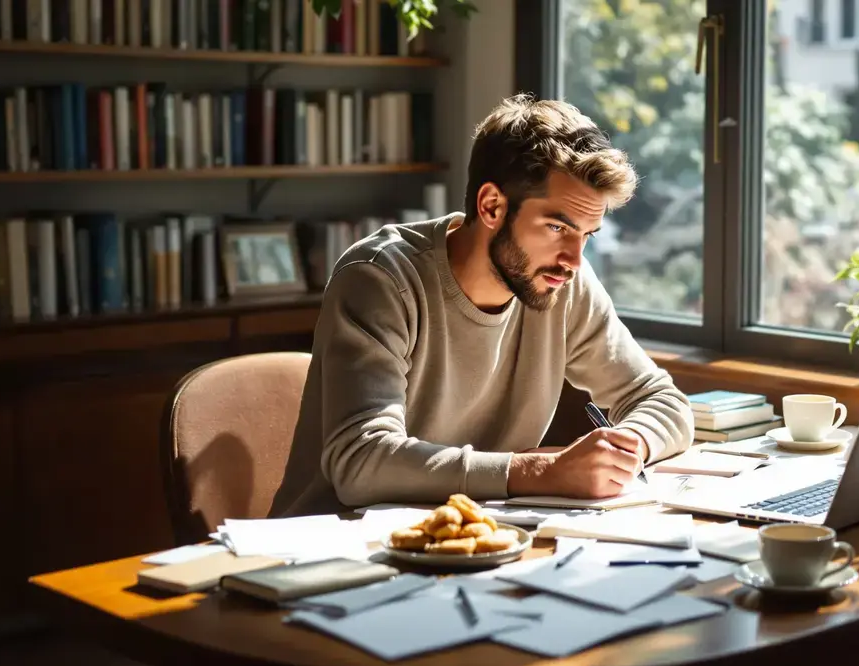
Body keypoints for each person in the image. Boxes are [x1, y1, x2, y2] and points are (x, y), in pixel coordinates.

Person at [270, 94, 694, 517]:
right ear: (492, 206)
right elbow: (361, 461)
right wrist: (540, 471)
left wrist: (626, 448)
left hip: (477, 536)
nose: (573, 260)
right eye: (556, 227)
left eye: (587, 235)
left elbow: (663, 400)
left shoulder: (562, 284)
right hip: (335, 543)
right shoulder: (381, 279)